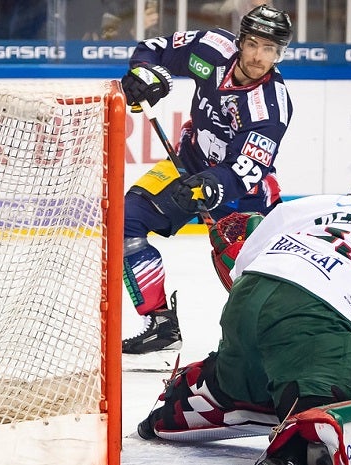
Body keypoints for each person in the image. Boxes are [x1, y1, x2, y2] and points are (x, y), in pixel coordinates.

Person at [136, 170, 351, 465]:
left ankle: (213, 390)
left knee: (249, 367)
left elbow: (253, 249)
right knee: (320, 423)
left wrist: (251, 283)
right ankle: (301, 437)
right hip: (323, 324)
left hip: (249, 298)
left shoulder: (320, 205)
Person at [118, 4, 294, 355]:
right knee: (127, 219)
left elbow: (247, 169)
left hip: (243, 194)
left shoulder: (270, 106)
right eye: (255, 44)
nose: (260, 57)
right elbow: (153, 49)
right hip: (188, 162)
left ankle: (283, 343)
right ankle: (161, 324)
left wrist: (212, 185)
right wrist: (143, 74)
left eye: (271, 49)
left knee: (255, 280)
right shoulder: (211, 47)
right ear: (241, 40)